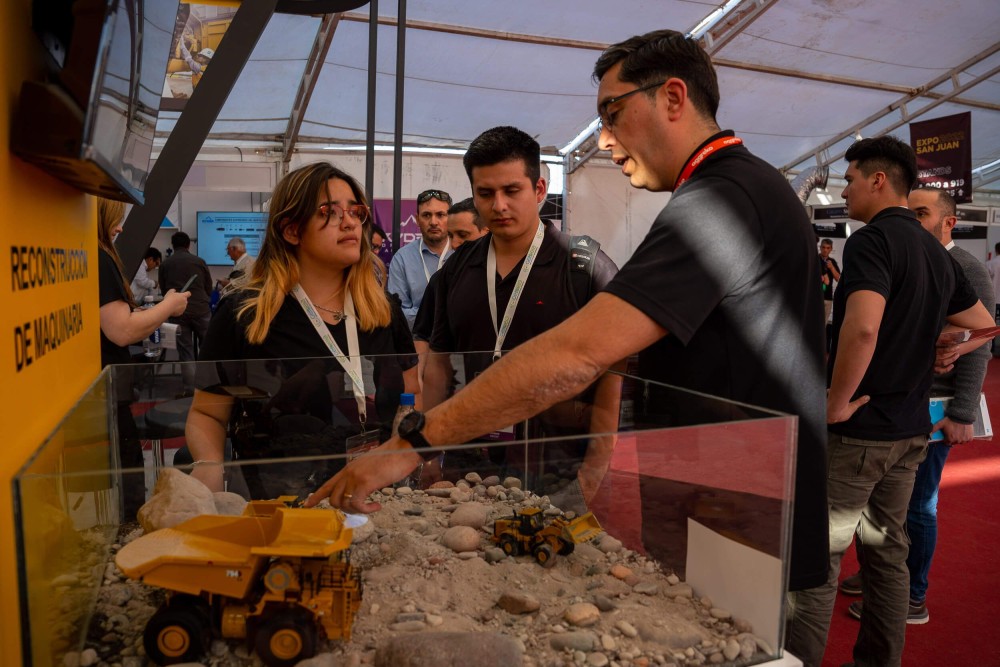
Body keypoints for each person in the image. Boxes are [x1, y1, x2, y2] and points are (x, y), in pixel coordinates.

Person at [305, 29, 831, 603]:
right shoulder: (736, 189)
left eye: (612, 112)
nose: (603, 138)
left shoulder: (722, 199)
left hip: (738, 496)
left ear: (673, 98)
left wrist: (414, 442)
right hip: (724, 486)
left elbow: (580, 354)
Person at [789, 138, 993, 667]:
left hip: (861, 433)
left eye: (852, 177)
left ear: (879, 180)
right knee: (887, 555)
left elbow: (860, 330)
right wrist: (943, 346)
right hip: (910, 432)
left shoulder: (872, 242)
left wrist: (834, 405)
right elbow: (983, 325)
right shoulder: (933, 250)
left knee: (819, 560)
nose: (845, 189)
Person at [184, 162, 418, 496]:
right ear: (292, 230)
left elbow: (411, 398)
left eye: (356, 211)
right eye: (330, 211)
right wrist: (208, 464)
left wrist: (407, 455)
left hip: (374, 490)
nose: (350, 221)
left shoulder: (382, 309)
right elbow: (208, 413)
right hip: (281, 494)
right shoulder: (245, 314)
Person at [839, 187, 994, 626]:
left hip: (934, 406)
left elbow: (984, 336)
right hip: (900, 403)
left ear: (949, 222)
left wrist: (962, 411)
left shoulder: (961, 264)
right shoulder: (909, 253)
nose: (912, 219)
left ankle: (911, 594)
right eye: (910, 211)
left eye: (922, 212)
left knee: (918, 505)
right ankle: (881, 578)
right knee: (885, 506)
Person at [97, 198, 190, 513]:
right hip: (106, 394)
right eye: (115, 219)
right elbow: (121, 330)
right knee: (127, 480)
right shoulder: (100, 258)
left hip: (108, 392)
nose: (121, 227)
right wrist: (170, 306)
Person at [387, 189, 452, 328]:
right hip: (418, 344)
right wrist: (439, 314)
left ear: (451, 218)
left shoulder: (462, 253)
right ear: (417, 220)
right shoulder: (402, 258)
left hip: (460, 345)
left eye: (440, 215)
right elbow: (397, 313)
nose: (433, 222)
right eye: (427, 215)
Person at [158, 231, 213, 395]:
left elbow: (164, 289)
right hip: (201, 310)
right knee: (207, 349)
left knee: (186, 352)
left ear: (173, 245)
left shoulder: (166, 264)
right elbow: (208, 286)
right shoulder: (199, 261)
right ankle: (209, 387)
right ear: (188, 245)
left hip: (178, 313)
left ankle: (190, 391)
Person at [819, 238, 840, 348]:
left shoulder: (832, 262)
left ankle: (817, 348)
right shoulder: (815, 259)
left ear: (831, 249)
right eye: (823, 247)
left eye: (828, 248)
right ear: (820, 247)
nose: (825, 250)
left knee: (823, 325)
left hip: (827, 298)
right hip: (815, 297)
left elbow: (838, 278)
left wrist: (831, 268)